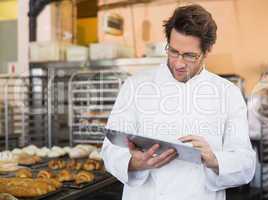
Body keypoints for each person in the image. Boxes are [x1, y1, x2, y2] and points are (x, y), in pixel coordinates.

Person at [101, 4, 256, 200]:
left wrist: (214, 159)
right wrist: (134, 164)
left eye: (190, 55)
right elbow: (109, 149)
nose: (179, 63)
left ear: (207, 51)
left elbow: (246, 163)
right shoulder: (135, 86)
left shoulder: (228, 94)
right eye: (173, 51)